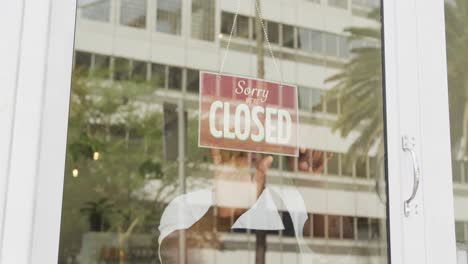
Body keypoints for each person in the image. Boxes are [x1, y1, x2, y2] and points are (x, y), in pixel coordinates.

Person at [157, 148, 329, 264]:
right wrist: (222, 216)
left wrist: (314, 182)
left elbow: (337, 250)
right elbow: (173, 256)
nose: (248, 150)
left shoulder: (289, 202)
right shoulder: (187, 205)